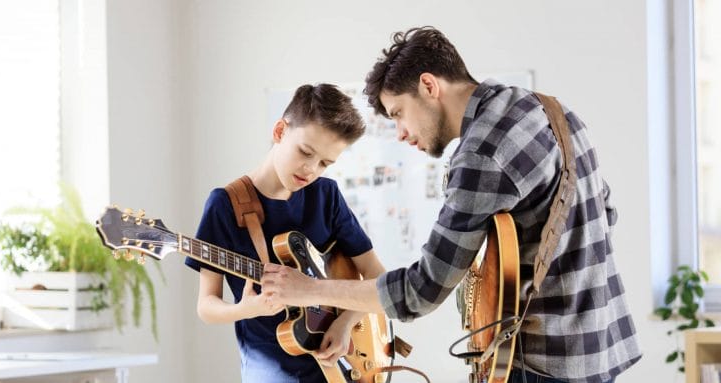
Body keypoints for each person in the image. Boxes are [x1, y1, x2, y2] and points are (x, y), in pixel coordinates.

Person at [261, 26, 641, 382]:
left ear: (429, 85)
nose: (401, 134)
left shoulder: (484, 152)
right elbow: (604, 211)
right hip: (601, 346)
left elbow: (420, 291)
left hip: (542, 365)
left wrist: (307, 289)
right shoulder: (552, 111)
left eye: (398, 114)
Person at [185, 83, 386, 382]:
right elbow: (206, 306)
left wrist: (345, 323)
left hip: (339, 365)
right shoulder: (224, 205)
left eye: (325, 164)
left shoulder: (326, 195)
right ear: (280, 131)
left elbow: (378, 280)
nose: (311, 170)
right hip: (269, 368)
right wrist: (246, 309)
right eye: (305, 152)